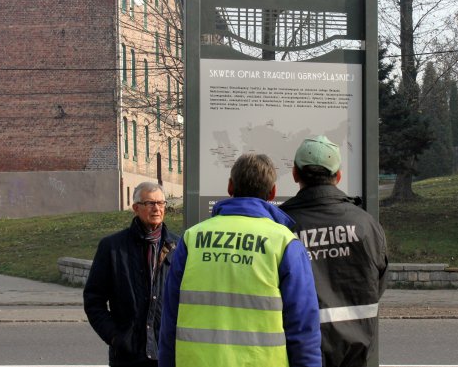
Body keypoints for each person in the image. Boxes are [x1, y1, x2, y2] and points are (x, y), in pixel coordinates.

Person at [158, 153, 321, 367]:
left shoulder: (192, 239)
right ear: (272, 192)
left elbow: (169, 319)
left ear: (230, 187)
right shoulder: (284, 244)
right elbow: (303, 330)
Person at [279, 136, 388, 367]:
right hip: (357, 354)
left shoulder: (283, 226)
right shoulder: (365, 224)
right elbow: (378, 283)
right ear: (338, 176)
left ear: (295, 174)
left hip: (299, 354)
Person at [84, 182, 179, 367]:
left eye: (161, 203)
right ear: (136, 208)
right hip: (128, 355)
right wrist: (115, 337)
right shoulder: (112, 247)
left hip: (167, 353)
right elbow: (94, 300)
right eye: (150, 203)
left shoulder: (178, 247)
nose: (157, 209)